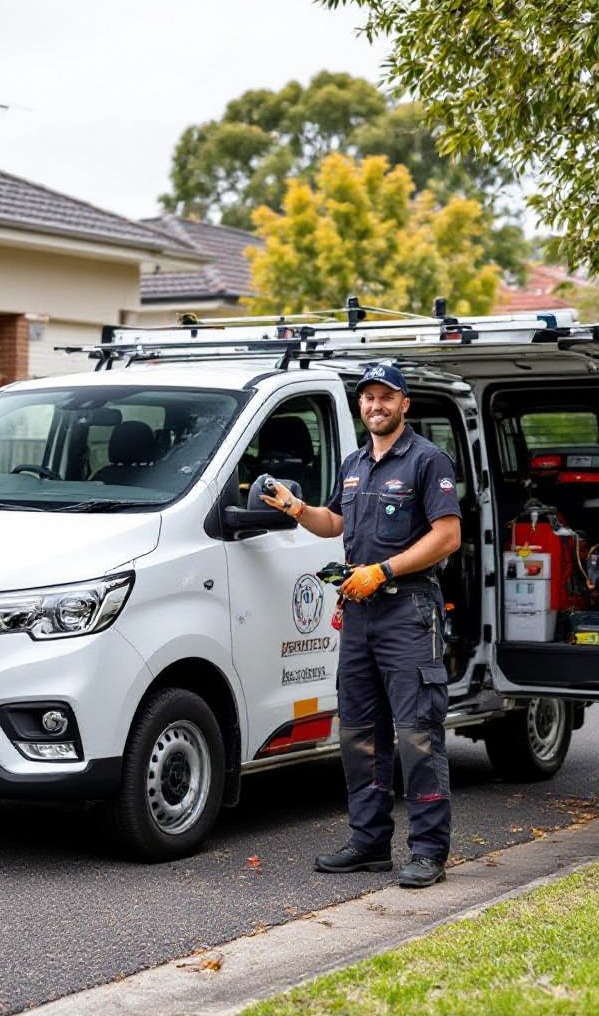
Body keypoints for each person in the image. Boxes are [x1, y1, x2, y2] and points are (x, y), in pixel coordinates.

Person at [262, 363, 461, 888]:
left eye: (386, 398)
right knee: (360, 735)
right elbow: (335, 523)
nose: (376, 406)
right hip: (360, 615)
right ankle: (370, 844)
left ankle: (427, 852)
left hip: (409, 613)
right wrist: (295, 507)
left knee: (417, 735)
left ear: (404, 404)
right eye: (368, 398)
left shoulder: (426, 460)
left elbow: (446, 537)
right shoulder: (354, 464)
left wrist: (384, 570)